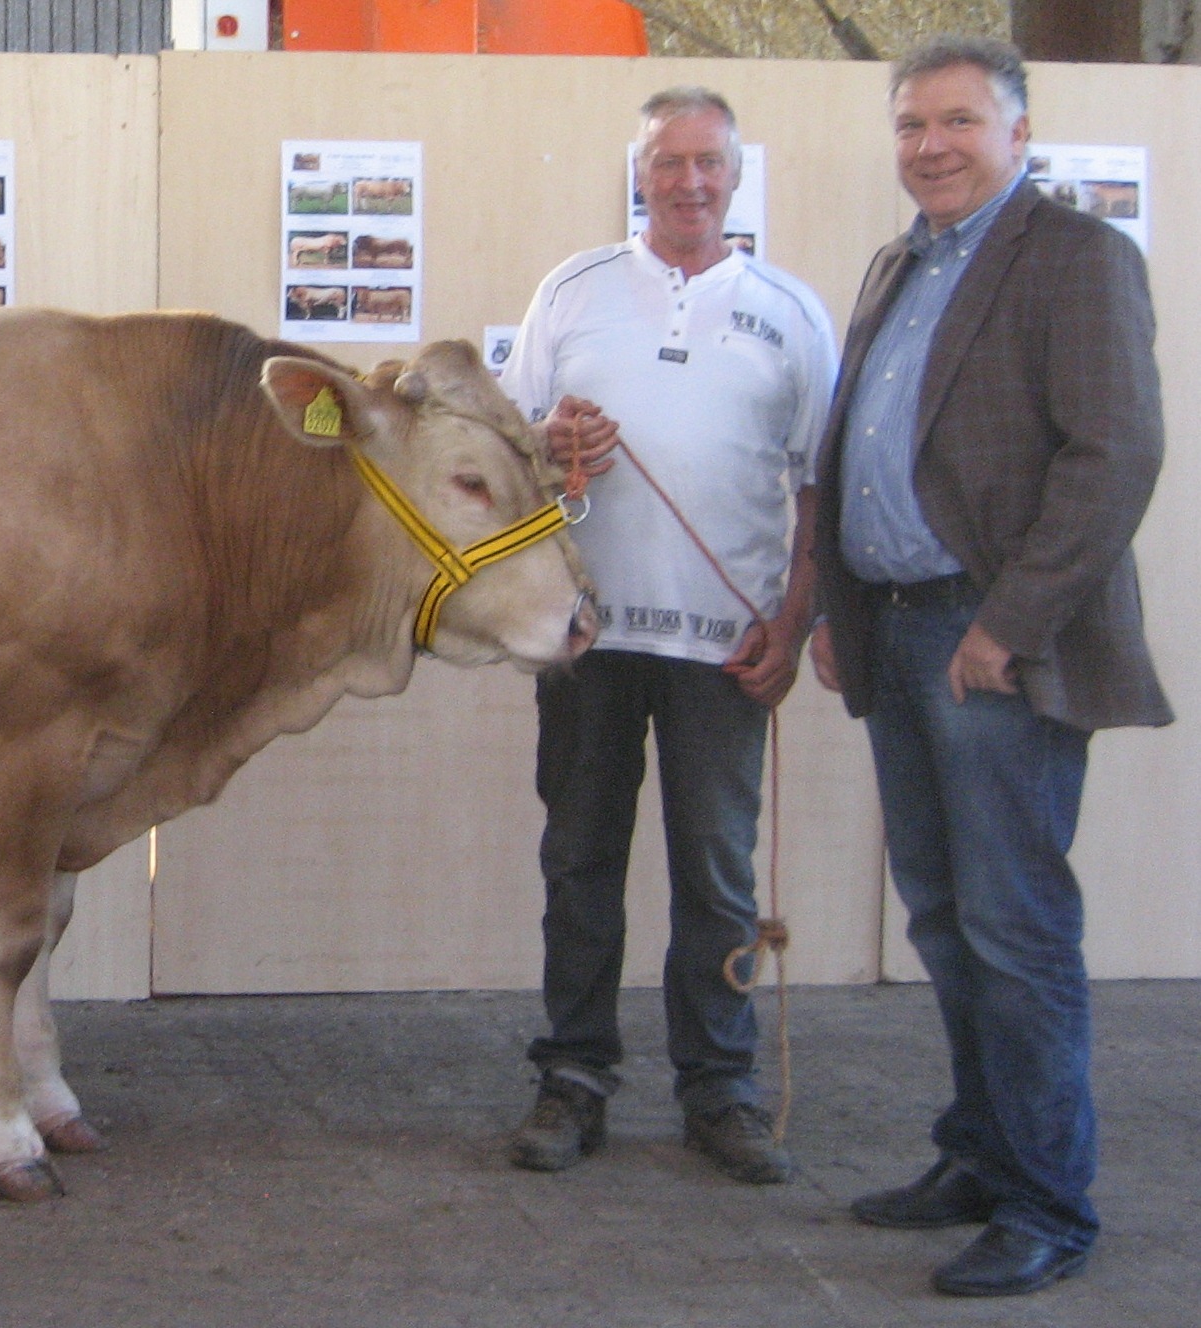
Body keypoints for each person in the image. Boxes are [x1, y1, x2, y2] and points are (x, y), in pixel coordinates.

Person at [810, 36, 1169, 1298]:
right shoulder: (899, 260)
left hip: (990, 644)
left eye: (959, 121)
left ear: (1020, 133)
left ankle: (1047, 1204)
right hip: (898, 629)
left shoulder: (1076, 257)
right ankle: (980, 1150)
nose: (931, 145)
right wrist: (832, 608)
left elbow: (1114, 455)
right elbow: (856, 442)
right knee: (948, 919)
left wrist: (1004, 625)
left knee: (1015, 930)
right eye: (912, 125)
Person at [497, 87, 836, 1185]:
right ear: (637, 173)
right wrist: (556, 442)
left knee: (716, 875)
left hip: (726, 656)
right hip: (588, 638)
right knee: (580, 862)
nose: (689, 180)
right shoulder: (572, 291)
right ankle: (575, 1076)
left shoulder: (791, 309)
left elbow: (820, 488)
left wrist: (795, 623)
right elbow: (512, 462)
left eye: (709, 162)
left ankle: (721, 1089)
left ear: (737, 176)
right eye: (667, 161)